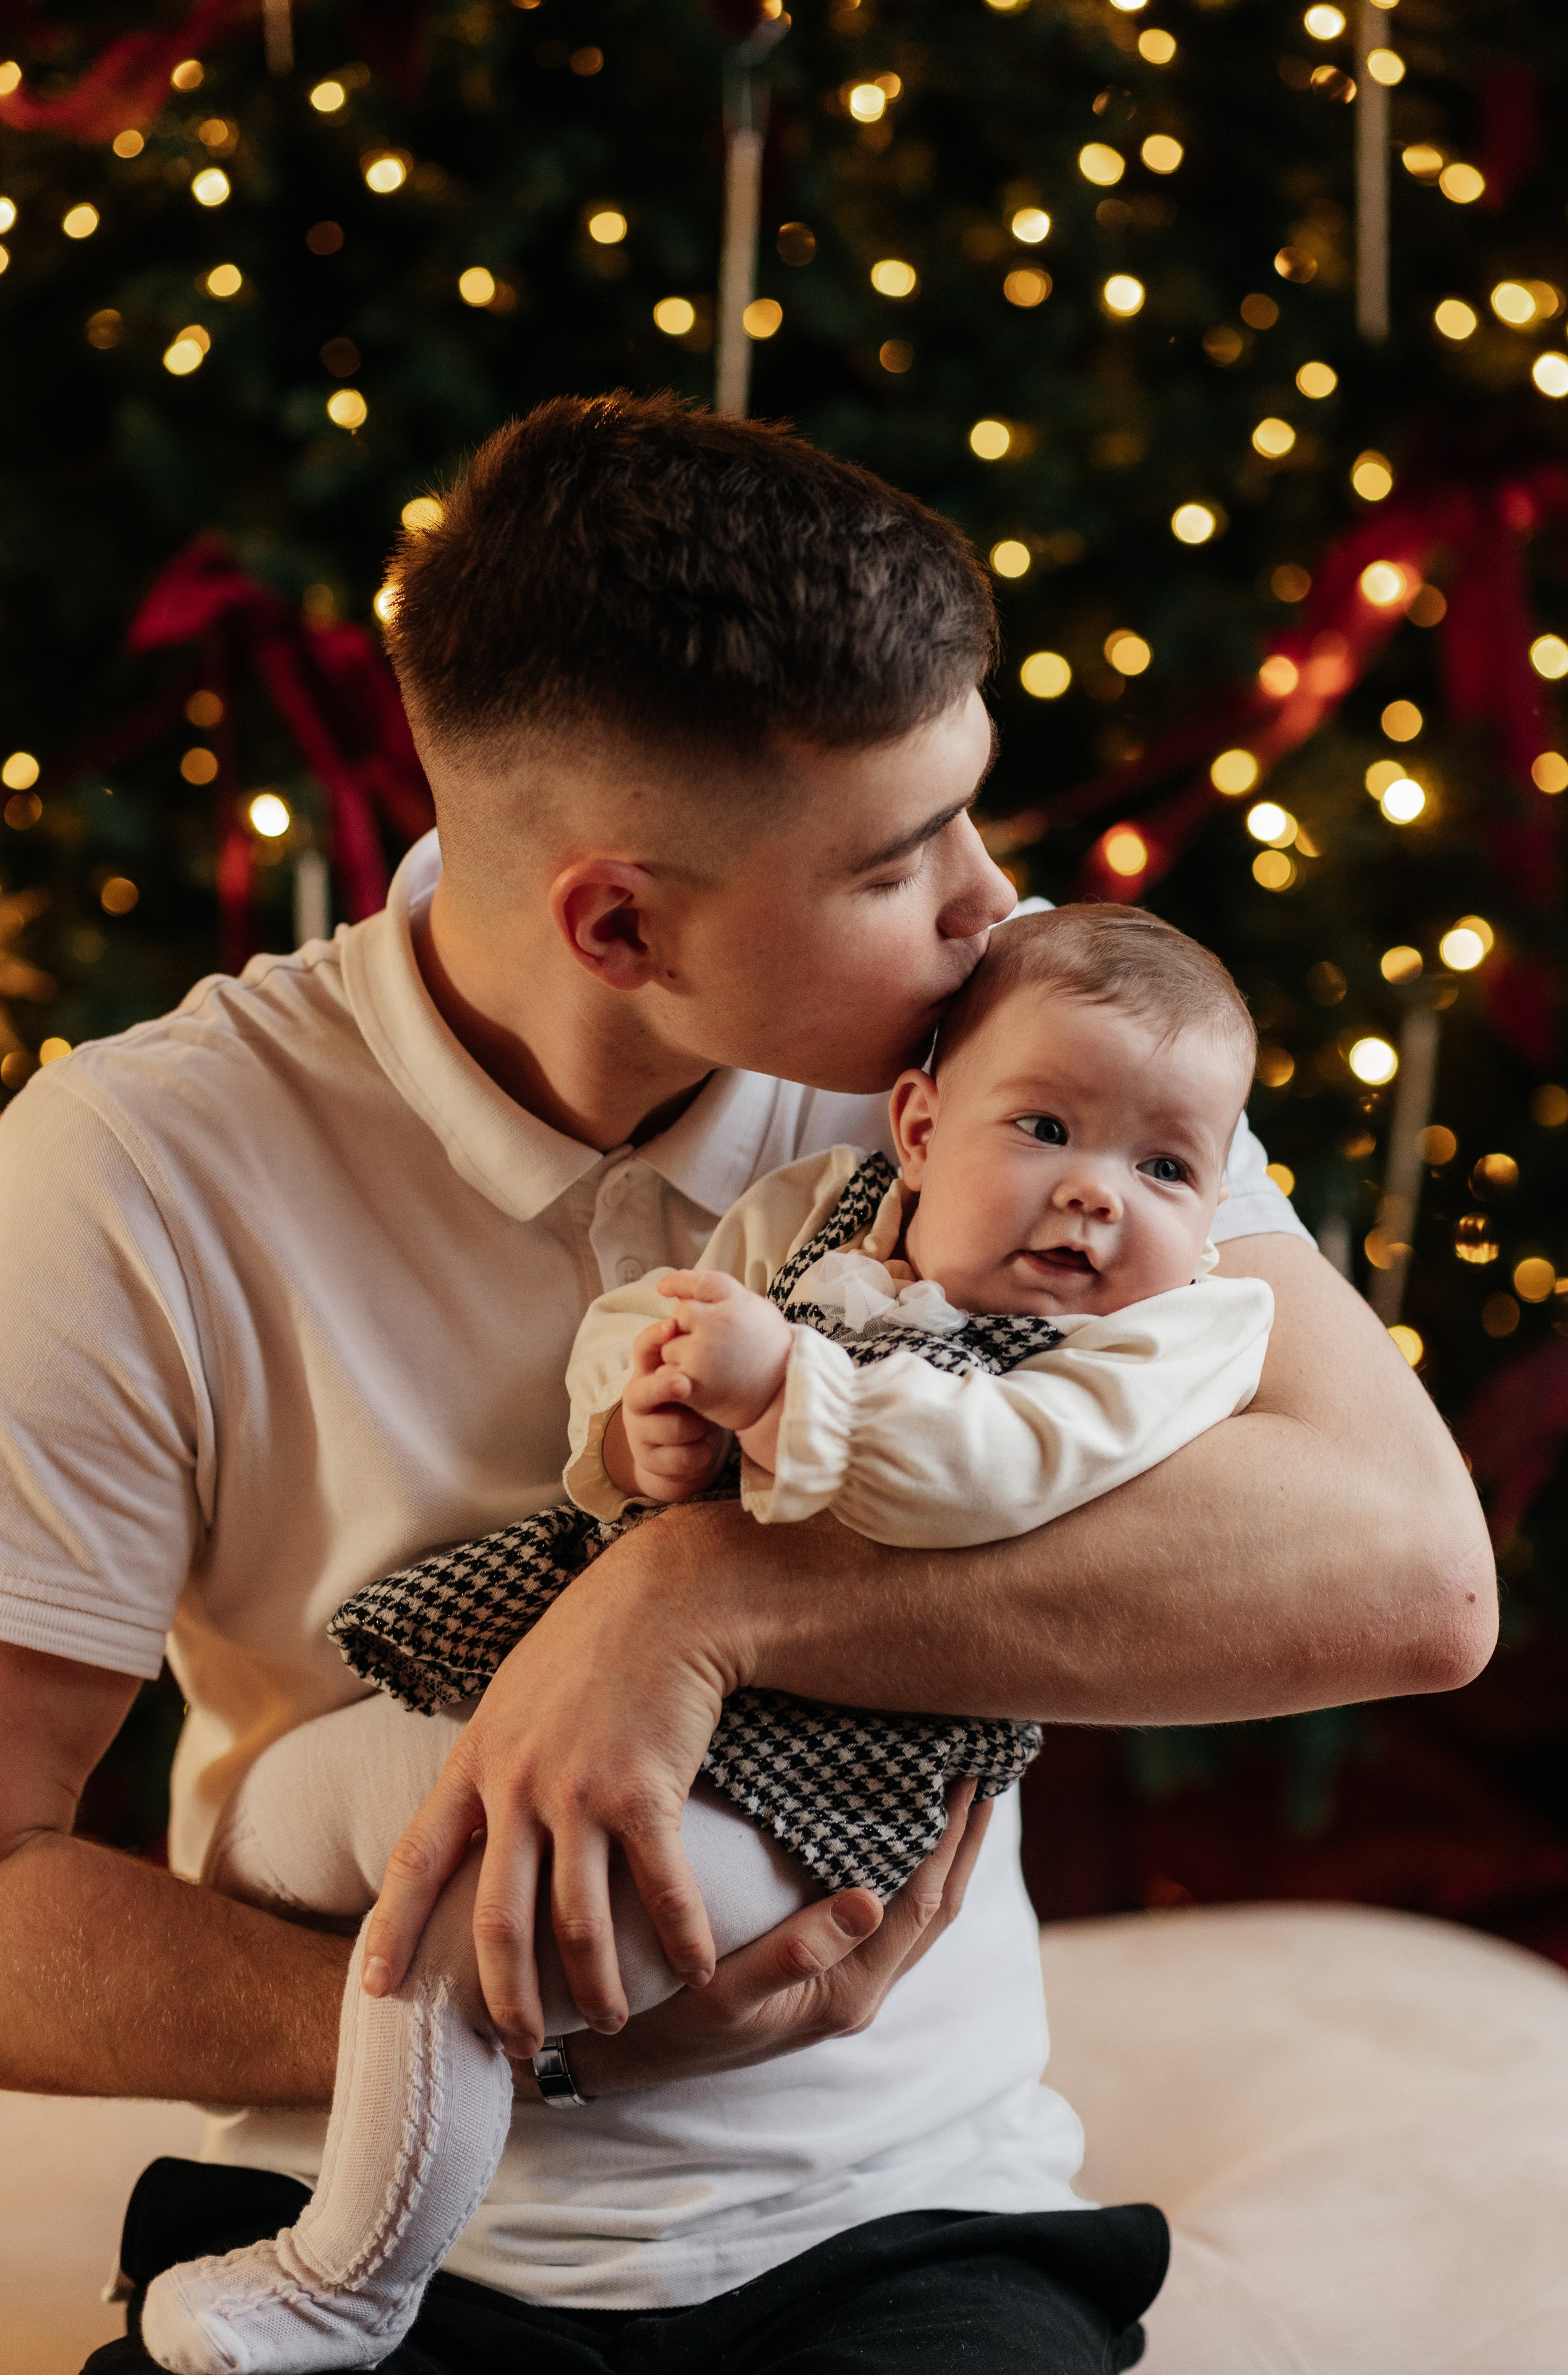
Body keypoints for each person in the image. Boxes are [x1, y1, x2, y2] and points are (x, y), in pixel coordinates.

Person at [0, 395, 1493, 2375]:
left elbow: (1414, 1571)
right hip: (362, 2225)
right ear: (618, 920)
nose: (993, 903)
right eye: (899, 861)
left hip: (906, 2221)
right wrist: (507, 2028)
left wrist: (700, 1597)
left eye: (972, 811)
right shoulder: (134, 1171)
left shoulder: (1040, 1059)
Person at [141, 904, 1275, 2374]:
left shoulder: (1161, 1337)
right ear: (921, 1127)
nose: (1096, 1198)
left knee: (508, 1905)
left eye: (1167, 1166)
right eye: (1046, 1129)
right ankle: (356, 2104)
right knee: (284, 1817)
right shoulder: (819, 1207)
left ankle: (349, 2269)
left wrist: (786, 1385)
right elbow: (643, 1323)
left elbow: (995, 1469)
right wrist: (642, 1429)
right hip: (568, 1686)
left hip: (819, 1792)